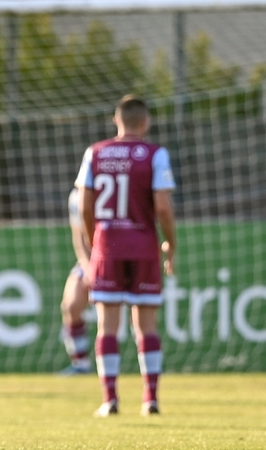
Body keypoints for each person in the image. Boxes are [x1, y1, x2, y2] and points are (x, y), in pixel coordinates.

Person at [74, 95, 176, 417]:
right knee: (146, 325)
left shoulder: (96, 152)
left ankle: (110, 400)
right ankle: (151, 399)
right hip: (144, 246)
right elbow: (162, 206)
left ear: (116, 120)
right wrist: (171, 243)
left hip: (108, 247)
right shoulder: (155, 154)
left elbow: (84, 206)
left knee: (107, 326)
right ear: (145, 122)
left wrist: (95, 242)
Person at [58, 187, 92, 375]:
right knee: (71, 305)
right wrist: (88, 268)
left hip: (118, 255)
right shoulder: (77, 195)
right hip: (90, 257)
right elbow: (78, 235)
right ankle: (81, 364)